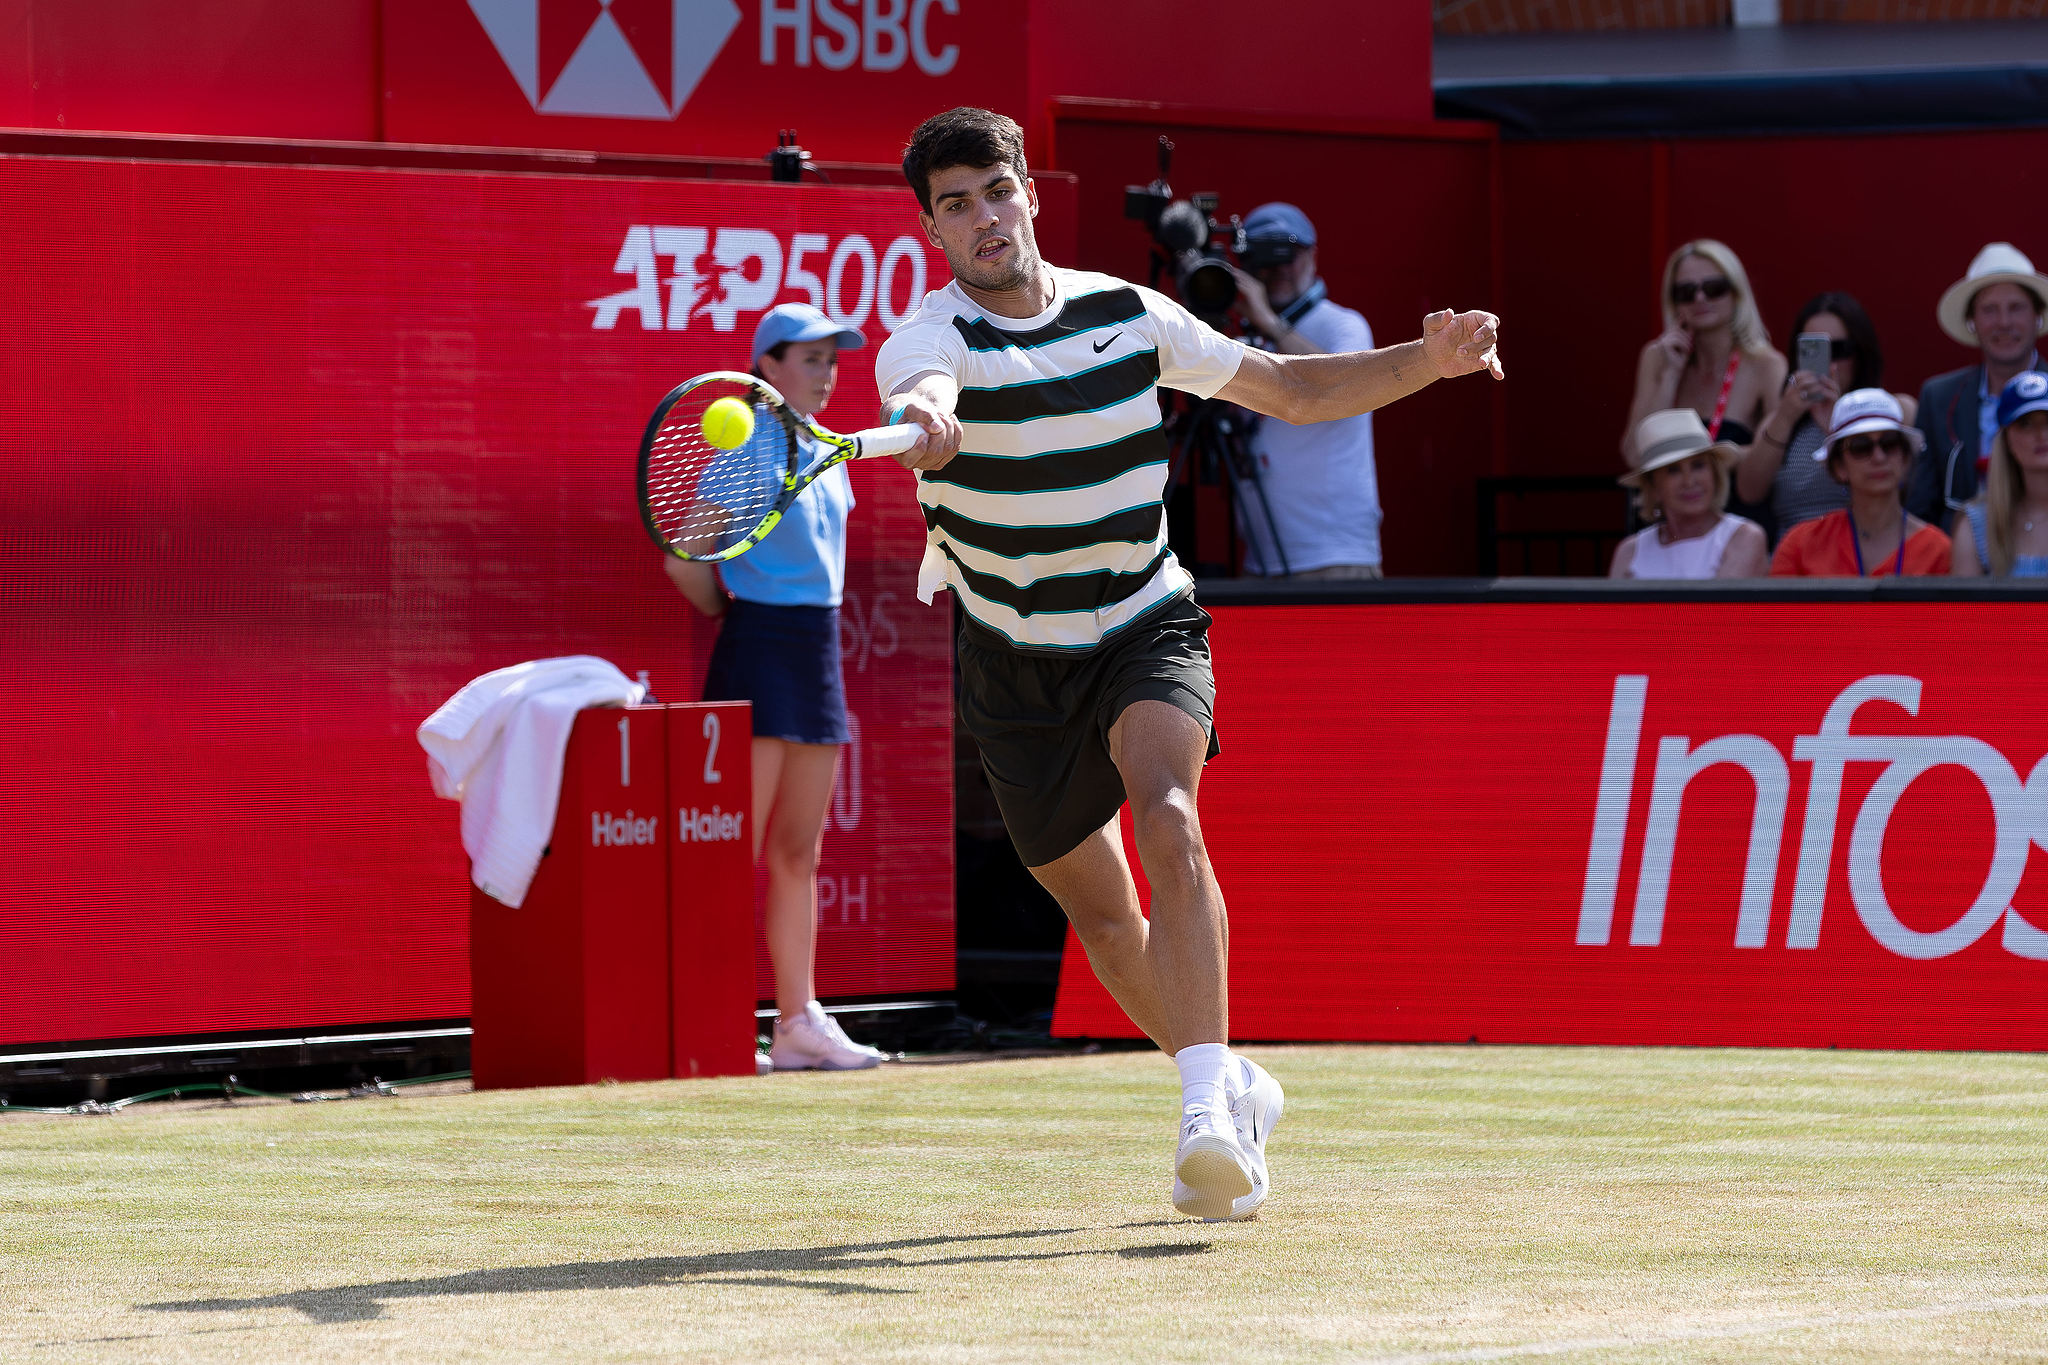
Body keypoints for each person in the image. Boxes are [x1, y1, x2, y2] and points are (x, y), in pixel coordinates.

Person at [872, 107, 1502, 1221]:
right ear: (931, 229)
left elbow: (1291, 389)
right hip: (1012, 658)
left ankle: (1204, 1117)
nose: (982, 218)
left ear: (1025, 194)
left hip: (1142, 620)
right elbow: (928, 397)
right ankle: (1227, 1079)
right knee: (1107, 920)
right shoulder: (927, 342)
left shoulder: (1129, 313)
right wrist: (928, 422)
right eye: (954, 205)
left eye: (995, 192)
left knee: (1168, 815)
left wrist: (1429, 361)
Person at [662, 301, 889, 1074]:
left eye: (835, 359)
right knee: (727, 853)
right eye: (812, 358)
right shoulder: (752, 446)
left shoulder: (821, 446)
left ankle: (796, 1022)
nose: (828, 372)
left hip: (816, 654)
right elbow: (686, 559)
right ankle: (712, 1019)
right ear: (770, 365)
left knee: (799, 852)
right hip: (757, 647)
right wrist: (735, 614)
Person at [1221, 202, 1382, 578]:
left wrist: (1271, 325)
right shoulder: (1242, 340)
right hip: (1262, 561)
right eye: (1265, 260)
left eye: (1287, 257)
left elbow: (1341, 385)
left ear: (1312, 256)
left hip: (1333, 557)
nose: (1278, 271)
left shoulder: (1343, 324)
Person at [1736, 291, 1917, 543]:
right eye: (1814, 350)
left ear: (1860, 354)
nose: (1829, 362)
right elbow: (1749, 491)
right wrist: (1786, 416)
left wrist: (1841, 426)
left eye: (1839, 350)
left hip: (1868, 552)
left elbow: (1906, 490)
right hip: (1798, 560)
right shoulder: (1781, 422)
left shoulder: (1897, 411)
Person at [1908, 242, 2048, 528]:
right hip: (1959, 562)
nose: (2004, 322)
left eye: (2016, 308)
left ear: (2037, 317)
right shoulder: (1939, 397)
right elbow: (1921, 507)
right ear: (1971, 321)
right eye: (1989, 310)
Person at [1622, 239, 1784, 463]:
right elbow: (1634, 455)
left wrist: (1710, 461)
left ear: (1737, 294)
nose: (1700, 298)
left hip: (1734, 496)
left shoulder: (1766, 365)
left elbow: (1775, 457)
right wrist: (1670, 376)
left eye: (1714, 288)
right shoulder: (1657, 357)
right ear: (1674, 302)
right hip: (1668, 498)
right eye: (1686, 292)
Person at [1770, 389, 1951, 578]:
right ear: (1839, 466)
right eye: (1861, 447)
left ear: (1905, 459)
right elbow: (1777, 609)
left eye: (1889, 443)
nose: (1879, 457)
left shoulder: (1939, 549)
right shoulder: (1799, 545)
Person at [1610, 409, 1767, 579]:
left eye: (1698, 466)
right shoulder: (1629, 551)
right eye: (1673, 470)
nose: (1689, 481)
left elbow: (1721, 606)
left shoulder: (1743, 537)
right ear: (1653, 487)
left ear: (1714, 473)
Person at [1953, 370, 2048, 578]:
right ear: (2006, 441)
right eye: (2025, 424)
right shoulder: (1978, 522)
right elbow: (1961, 610)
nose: (2042, 434)